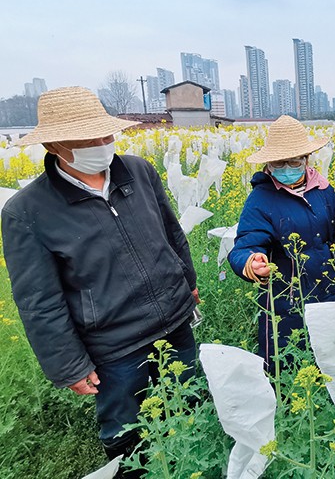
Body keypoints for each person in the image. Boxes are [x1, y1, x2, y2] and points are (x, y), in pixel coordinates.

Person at [1, 87, 200, 474]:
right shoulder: (26, 212)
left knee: (189, 400)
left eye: (106, 135)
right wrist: (68, 365)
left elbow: (171, 232)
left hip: (175, 319)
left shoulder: (138, 171)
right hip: (114, 343)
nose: (103, 145)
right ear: (56, 144)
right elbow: (39, 299)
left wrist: (187, 282)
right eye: (89, 139)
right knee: (128, 427)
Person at [228, 115, 335, 376]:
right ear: (269, 164)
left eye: (294, 161)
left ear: (306, 159)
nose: (286, 168)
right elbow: (246, 243)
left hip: (328, 293)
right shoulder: (261, 200)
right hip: (286, 301)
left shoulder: (323, 190)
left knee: (330, 361)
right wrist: (250, 262)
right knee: (287, 366)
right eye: (279, 162)